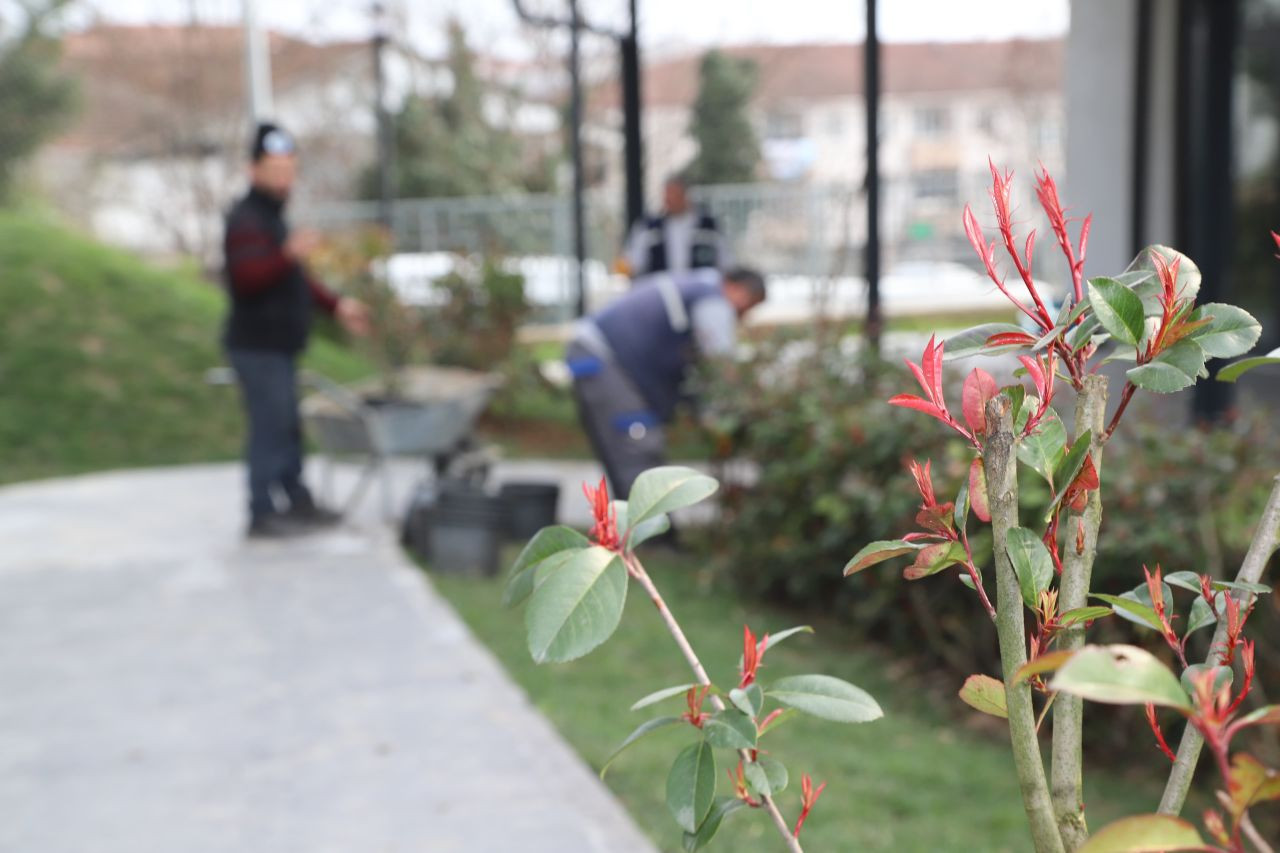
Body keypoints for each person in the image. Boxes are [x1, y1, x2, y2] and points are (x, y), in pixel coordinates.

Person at [222, 122, 370, 539]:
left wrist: (338, 305)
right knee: (270, 428)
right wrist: (286, 254)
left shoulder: (272, 219)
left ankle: (296, 500)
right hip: (257, 347)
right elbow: (245, 278)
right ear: (254, 170)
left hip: (279, 346)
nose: (286, 177)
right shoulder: (246, 219)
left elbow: (294, 281)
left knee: (287, 426)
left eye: (290, 168)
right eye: (276, 168)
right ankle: (262, 512)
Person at [566, 266, 766, 499]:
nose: (743, 317)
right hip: (604, 359)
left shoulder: (694, 288)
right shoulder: (712, 299)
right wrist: (731, 410)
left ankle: (635, 531)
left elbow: (687, 364)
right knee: (637, 446)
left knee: (625, 454)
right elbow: (719, 363)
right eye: (748, 305)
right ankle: (654, 535)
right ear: (736, 287)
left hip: (596, 355)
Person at [622, 174, 731, 280]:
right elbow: (634, 261)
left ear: (685, 195)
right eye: (666, 194)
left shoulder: (709, 226)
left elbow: (725, 262)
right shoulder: (648, 227)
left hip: (699, 293)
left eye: (674, 194)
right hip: (661, 292)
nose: (668, 199)